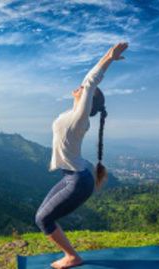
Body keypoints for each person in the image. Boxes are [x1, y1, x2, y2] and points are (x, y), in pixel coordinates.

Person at [35, 42, 129, 269]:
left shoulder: (80, 118)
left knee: (43, 219)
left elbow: (90, 80)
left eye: (86, 92)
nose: (80, 87)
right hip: (73, 175)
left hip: (78, 180)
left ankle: (72, 257)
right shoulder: (72, 114)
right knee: (41, 215)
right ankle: (70, 254)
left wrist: (108, 57)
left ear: (89, 102)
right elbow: (86, 85)